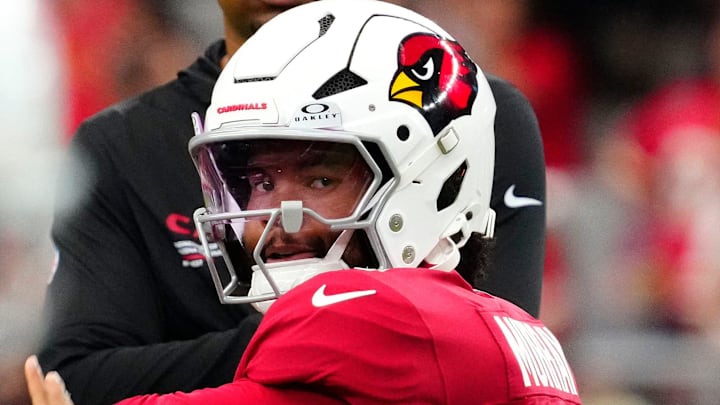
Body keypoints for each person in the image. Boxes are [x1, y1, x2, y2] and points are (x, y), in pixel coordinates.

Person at [28, 2, 576, 403]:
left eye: (319, 177)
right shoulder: (127, 143)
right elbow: (71, 381)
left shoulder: (466, 107)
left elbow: (463, 350)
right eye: (255, 179)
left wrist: (320, 329)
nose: (275, 218)